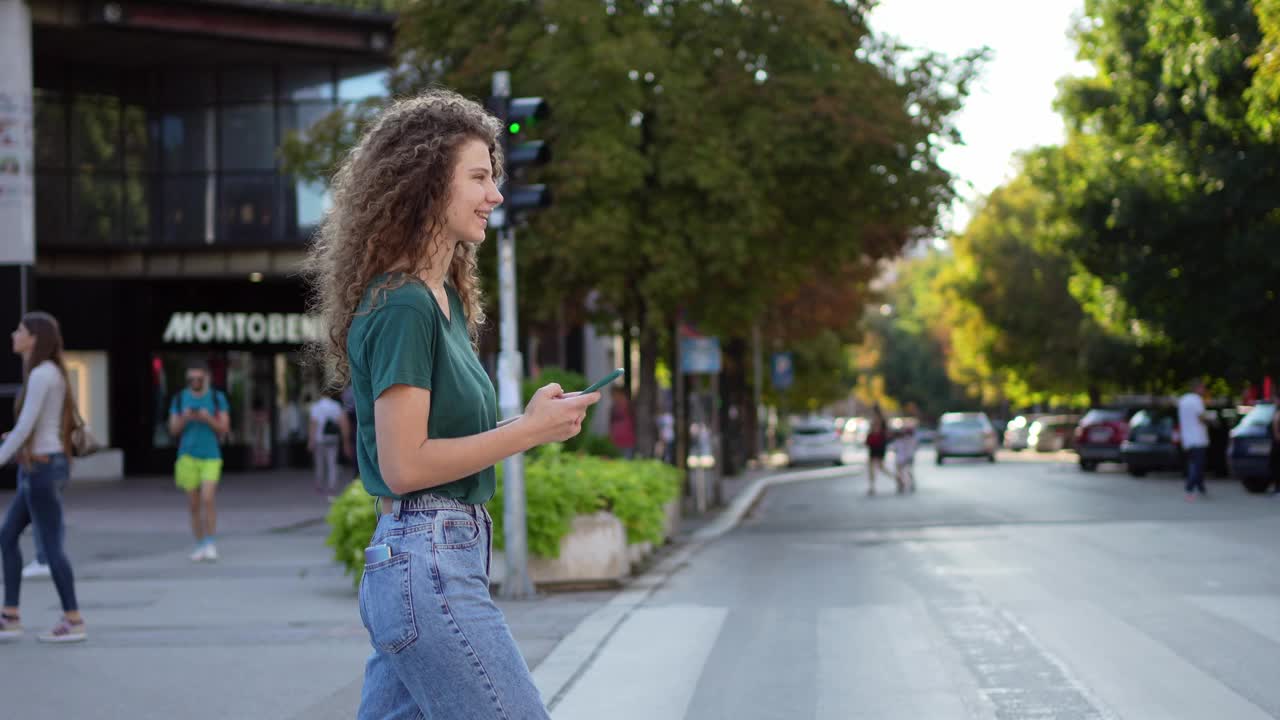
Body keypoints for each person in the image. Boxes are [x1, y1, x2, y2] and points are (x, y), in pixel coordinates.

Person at [305, 89, 601, 720]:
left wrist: (527, 422)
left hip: (431, 563)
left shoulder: (441, 302)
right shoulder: (404, 303)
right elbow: (406, 465)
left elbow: (428, 447)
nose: (495, 194)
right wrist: (525, 433)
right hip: (427, 566)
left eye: (494, 177)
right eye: (478, 177)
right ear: (425, 184)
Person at [0, 311, 87, 643]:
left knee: (50, 547)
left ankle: (73, 619)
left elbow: (26, 426)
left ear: (33, 338)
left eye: (19, 330)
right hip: (38, 465)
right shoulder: (46, 373)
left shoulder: (41, 374)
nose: (13, 334)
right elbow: (33, 426)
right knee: (7, 536)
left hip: (42, 468)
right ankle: (10, 616)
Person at [168, 361, 230, 561]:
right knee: (193, 505)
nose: (194, 382)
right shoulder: (179, 399)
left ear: (206, 378)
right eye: (190, 379)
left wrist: (207, 419)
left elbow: (224, 429)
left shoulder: (216, 398)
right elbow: (173, 430)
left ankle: (211, 542)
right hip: (187, 456)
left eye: (198, 378)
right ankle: (200, 543)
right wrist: (185, 418)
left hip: (211, 456)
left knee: (208, 499)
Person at [308, 389, 353, 497]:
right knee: (332, 463)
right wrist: (345, 441)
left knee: (319, 463)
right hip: (333, 438)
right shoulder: (336, 406)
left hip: (320, 439)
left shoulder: (316, 406)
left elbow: (313, 424)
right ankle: (331, 487)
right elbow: (343, 423)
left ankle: (319, 485)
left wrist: (311, 440)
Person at [1177, 379, 1212, 500]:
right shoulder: (1197, 400)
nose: (1204, 391)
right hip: (1198, 438)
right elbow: (1201, 417)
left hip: (1187, 438)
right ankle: (1190, 487)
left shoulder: (1183, 400)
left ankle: (1200, 486)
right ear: (1197, 388)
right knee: (1198, 464)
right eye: (1202, 388)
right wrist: (1210, 420)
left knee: (1193, 463)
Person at [865, 405, 888, 495]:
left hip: (877, 445)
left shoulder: (877, 420)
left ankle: (898, 479)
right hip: (878, 445)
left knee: (878, 467)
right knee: (877, 467)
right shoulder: (882, 420)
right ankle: (872, 487)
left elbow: (875, 431)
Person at [609, 386, 637, 459]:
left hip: (628, 440)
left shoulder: (629, 406)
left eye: (615, 394)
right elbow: (611, 424)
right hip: (616, 440)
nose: (613, 397)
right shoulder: (613, 407)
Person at [891, 426, 917, 494]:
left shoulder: (898, 441)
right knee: (907, 471)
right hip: (906, 457)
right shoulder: (911, 440)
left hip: (902, 458)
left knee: (903, 472)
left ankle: (902, 484)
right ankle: (906, 484)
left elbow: (894, 449)